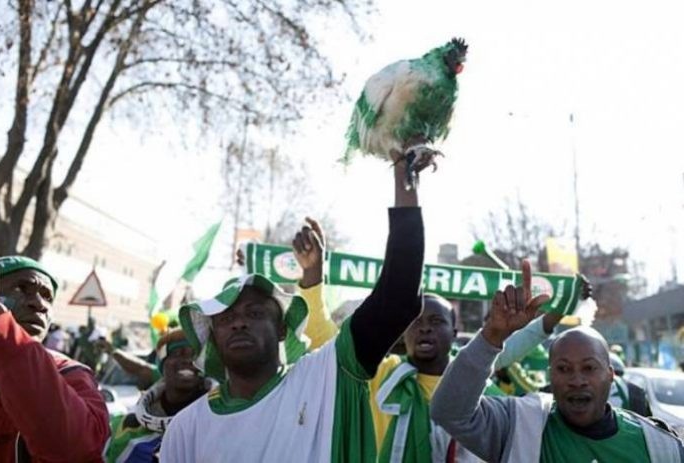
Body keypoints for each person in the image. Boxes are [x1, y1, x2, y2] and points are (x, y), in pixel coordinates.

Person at [160, 158, 427, 462]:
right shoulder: (186, 429)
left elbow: (398, 297)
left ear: (283, 328)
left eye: (255, 313)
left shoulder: (328, 376)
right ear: (212, 336)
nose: (238, 324)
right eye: (226, 318)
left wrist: (404, 171)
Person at [291, 219, 569, 462]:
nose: (424, 329)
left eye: (436, 322)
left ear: (455, 331)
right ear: (403, 332)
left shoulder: (477, 394)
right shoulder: (379, 376)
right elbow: (323, 339)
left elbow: (522, 435)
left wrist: (564, 300)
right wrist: (313, 275)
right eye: (416, 322)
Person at [430, 260, 684, 462]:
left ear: (610, 374)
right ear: (551, 376)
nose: (577, 380)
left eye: (589, 367)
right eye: (563, 369)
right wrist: (492, 335)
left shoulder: (662, 448)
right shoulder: (518, 426)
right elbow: (448, 412)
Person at [0, 254, 109, 462]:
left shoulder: (70, 375)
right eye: (20, 288)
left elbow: (74, 450)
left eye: (47, 297)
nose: (39, 304)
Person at [105, 329, 210, 462]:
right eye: (178, 353)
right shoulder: (125, 429)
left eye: (196, 356)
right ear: (162, 365)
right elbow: (139, 368)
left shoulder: (217, 424)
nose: (188, 361)